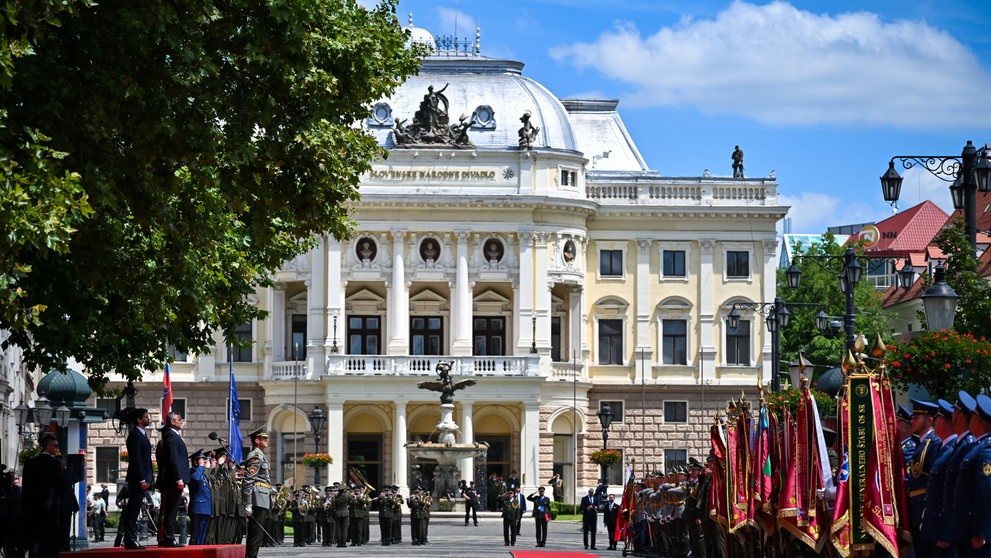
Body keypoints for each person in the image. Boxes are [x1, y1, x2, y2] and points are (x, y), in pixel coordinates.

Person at [906, 399, 941, 558]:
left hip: (924, 507)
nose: (912, 421)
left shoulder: (934, 443)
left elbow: (935, 480)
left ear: (929, 420)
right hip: (915, 507)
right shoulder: (921, 443)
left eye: (916, 418)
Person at [21, 434, 64, 558]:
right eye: (55, 446)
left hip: (33, 508)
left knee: (35, 538)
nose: (57, 448)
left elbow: (26, 487)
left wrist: (25, 507)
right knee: (52, 538)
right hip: (50, 508)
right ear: (48, 446)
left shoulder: (30, 463)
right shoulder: (55, 464)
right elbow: (61, 485)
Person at [156, 411, 190, 548]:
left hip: (175, 479)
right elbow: (173, 459)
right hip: (172, 480)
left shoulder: (174, 436)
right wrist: (178, 478)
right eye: (179, 419)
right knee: (170, 510)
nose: (181, 421)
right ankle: (168, 538)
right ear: (172, 422)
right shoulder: (171, 436)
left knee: (173, 509)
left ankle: (167, 537)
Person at [122, 408, 154, 550]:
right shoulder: (135, 435)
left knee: (135, 509)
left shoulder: (143, 434)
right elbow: (136, 459)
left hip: (144, 477)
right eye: (146, 417)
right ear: (139, 419)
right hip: (137, 479)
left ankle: (131, 538)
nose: (148, 419)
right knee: (133, 509)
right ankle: (130, 539)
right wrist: (142, 479)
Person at [242, 427, 273, 558]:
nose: (267, 440)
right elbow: (248, 481)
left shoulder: (261, 455)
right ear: (257, 440)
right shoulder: (256, 456)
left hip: (262, 497)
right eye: (264, 438)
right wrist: (247, 503)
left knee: (257, 533)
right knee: (255, 533)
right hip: (257, 498)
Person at [188, 449, 212, 545]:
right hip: (198, 507)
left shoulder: (202, 473)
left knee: (202, 537)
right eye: (202, 459)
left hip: (206, 508)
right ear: (195, 462)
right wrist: (201, 466)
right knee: (196, 536)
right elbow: (195, 478)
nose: (204, 461)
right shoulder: (192, 472)